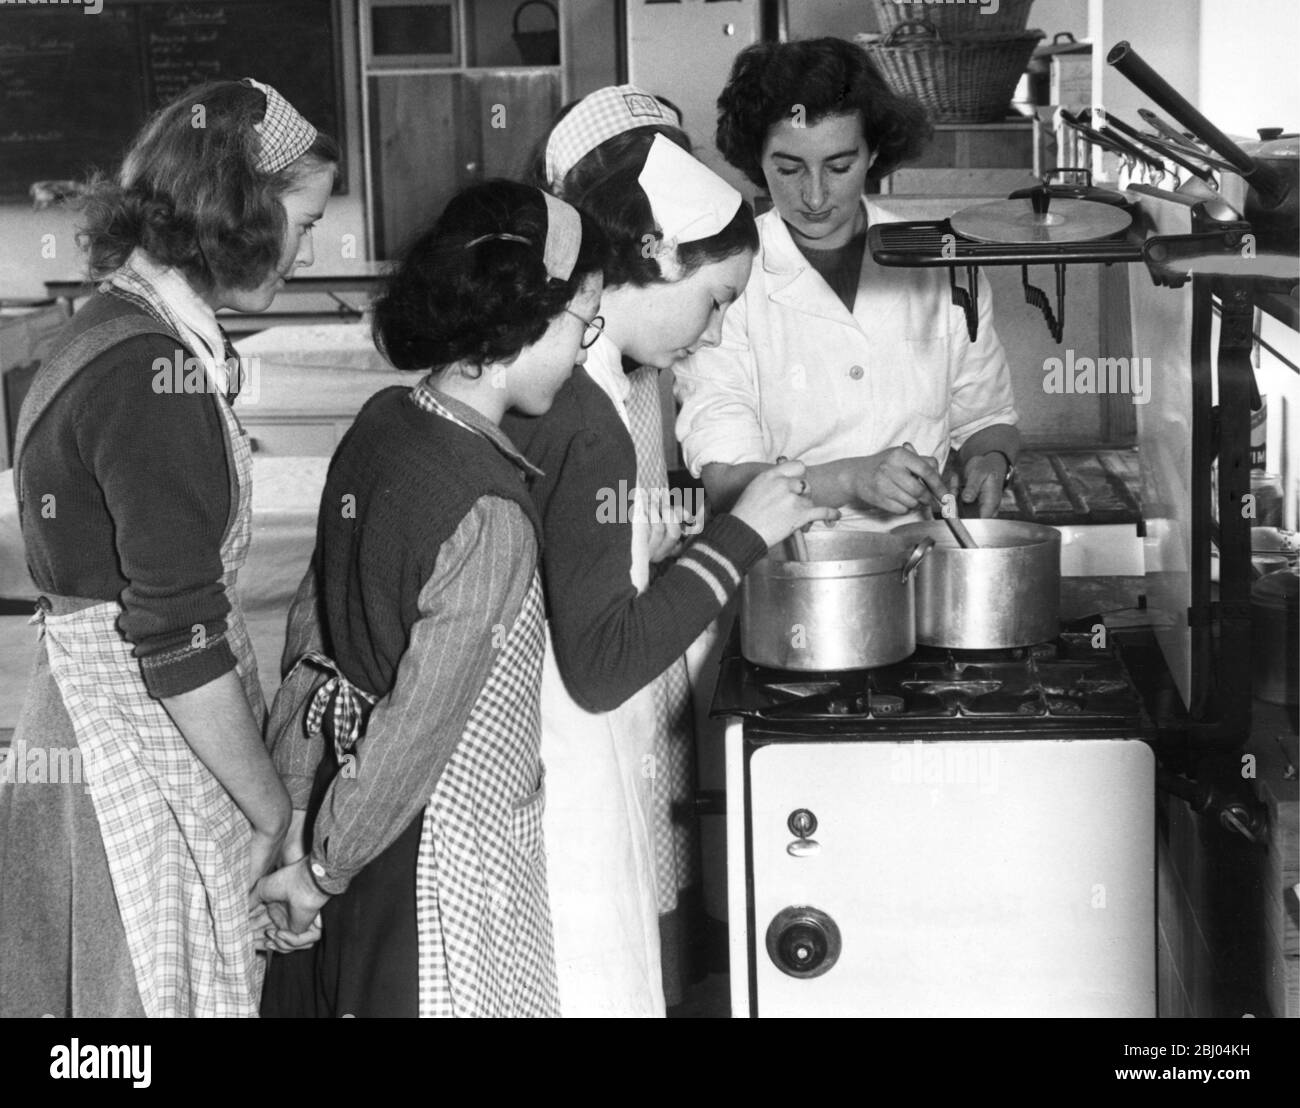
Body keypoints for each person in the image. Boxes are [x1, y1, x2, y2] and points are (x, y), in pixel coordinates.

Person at [0, 80, 337, 1017]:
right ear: (239, 212)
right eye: (302, 223)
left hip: (114, 736)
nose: (304, 253)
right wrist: (273, 811)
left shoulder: (118, 326)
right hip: (129, 759)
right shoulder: (149, 375)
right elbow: (179, 640)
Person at [505, 85, 837, 1016]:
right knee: (593, 974)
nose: (718, 330)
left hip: (575, 744)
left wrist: (671, 533)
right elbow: (604, 660)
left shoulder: (590, 370)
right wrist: (736, 535)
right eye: (716, 301)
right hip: (565, 751)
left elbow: (580, 547)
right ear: (653, 251)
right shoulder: (588, 406)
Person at [256, 181, 606, 1018]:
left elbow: (315, 632)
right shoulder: (489, 513)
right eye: (582, 324)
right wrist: (319, 870)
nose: (587, 349)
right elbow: (418, 724)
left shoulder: (381, 425)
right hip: (439, 869)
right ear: (522, 321)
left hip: (353, 823)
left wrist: (304, 814)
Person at [675, 38, 1021, 531]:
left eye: (839, 167)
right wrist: (851, 479)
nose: (814, 195)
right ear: (756, 158)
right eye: (789, 168)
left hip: (925, 556)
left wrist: (991, 463)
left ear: (873, 152)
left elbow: (987, 420)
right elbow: (726, 480)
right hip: (790, 565)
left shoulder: (940, 266)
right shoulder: (725, 283)